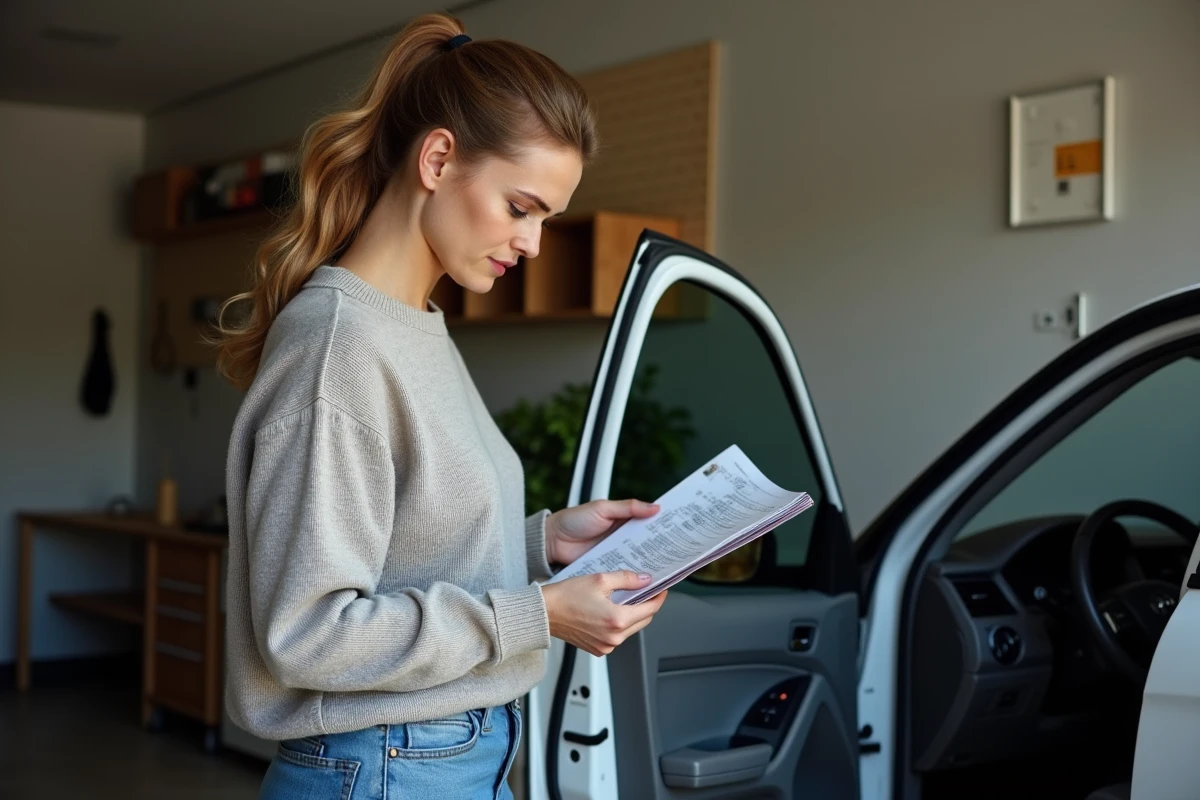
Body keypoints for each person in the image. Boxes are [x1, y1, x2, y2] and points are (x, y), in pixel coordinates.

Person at [214, 12, 669, 800]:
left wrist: (544, 543)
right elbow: (308, 634)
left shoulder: (416, 326)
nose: (532, 243)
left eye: (547, 220)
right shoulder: (339, 347)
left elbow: (408, 552)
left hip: (437, 757)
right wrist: (540, 615)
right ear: (437, 158)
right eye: (520, 207)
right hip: (388, 764)